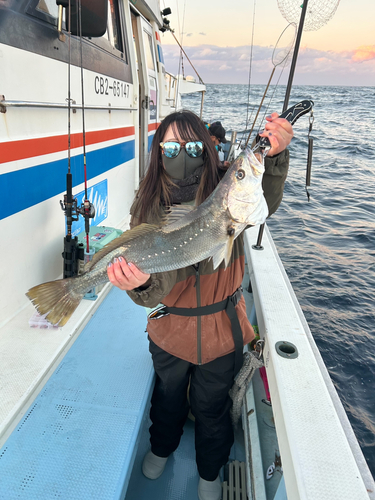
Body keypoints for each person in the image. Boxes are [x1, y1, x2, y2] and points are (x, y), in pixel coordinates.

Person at [107, 110, 293, 500]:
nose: (182, 155)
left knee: (211, 408)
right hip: (169, 329)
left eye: (192, 146)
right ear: (158, 152)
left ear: (207, 149)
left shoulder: (225, 189)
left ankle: (210, 472)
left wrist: (273, 156)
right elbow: (154, 291)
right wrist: (139, 285)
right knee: (168, 397)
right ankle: (161, 448)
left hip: (220, 331)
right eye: (171, 147)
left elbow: (264, 201)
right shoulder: (148, 207)